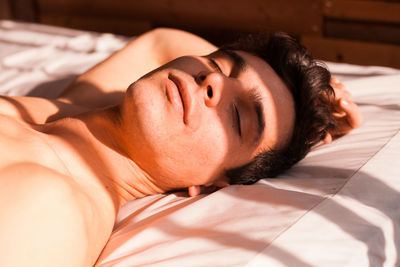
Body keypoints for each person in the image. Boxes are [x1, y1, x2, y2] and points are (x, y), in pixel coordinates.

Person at [0, 28, 362, 267]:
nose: (213, 81)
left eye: (238, 117)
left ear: (209, 185)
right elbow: (159, 43)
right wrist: (319, 98)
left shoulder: (52, 208)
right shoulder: (69, 111)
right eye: (219, 65)